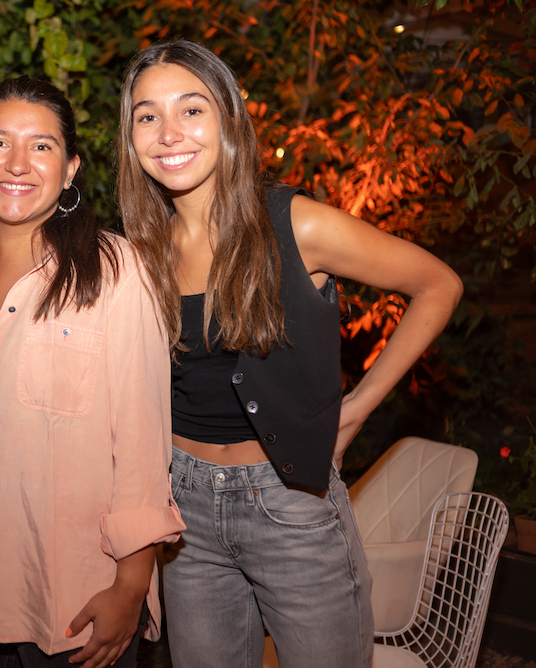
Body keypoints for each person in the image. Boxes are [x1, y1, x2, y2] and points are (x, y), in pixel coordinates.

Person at [117, 40, 464, 668]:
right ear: (131, 134)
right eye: (148, 115)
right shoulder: (142, 248)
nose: (169, 133)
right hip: (184, 514)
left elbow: (438, 285)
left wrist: (357, 407)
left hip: (289, 507)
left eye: (191, 109)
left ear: (228, 116)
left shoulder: (297, 224)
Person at [0, 75, 185, 668]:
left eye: (41, 146)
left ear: (69, 169)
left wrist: (131, 585)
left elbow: (144, 441)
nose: (17, 162)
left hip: (72, 580)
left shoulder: (116, 269)